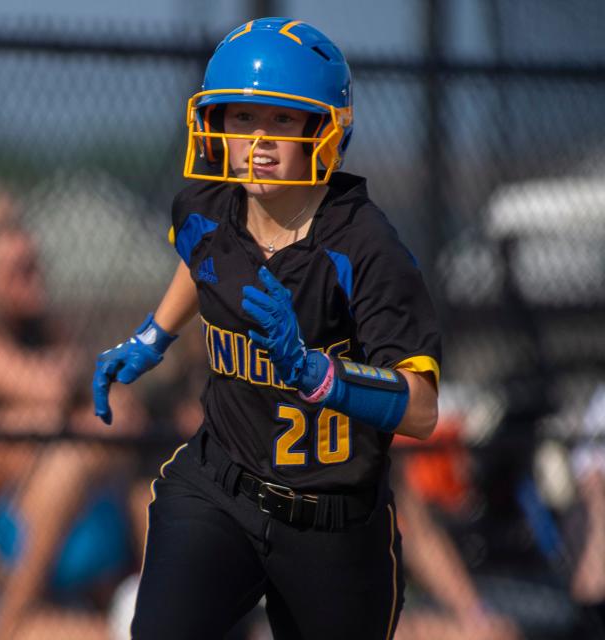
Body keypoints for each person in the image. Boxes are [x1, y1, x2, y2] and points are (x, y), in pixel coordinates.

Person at [92, 18, 442, 639]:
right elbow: (199, 261)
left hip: (332, 521)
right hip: (220, 486)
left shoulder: (366, 251)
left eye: (281, 120)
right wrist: (153, 336)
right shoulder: (206, 207)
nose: (257, 140)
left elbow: (421, 410)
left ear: (323, 130)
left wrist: (322, 375)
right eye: (241, 118)